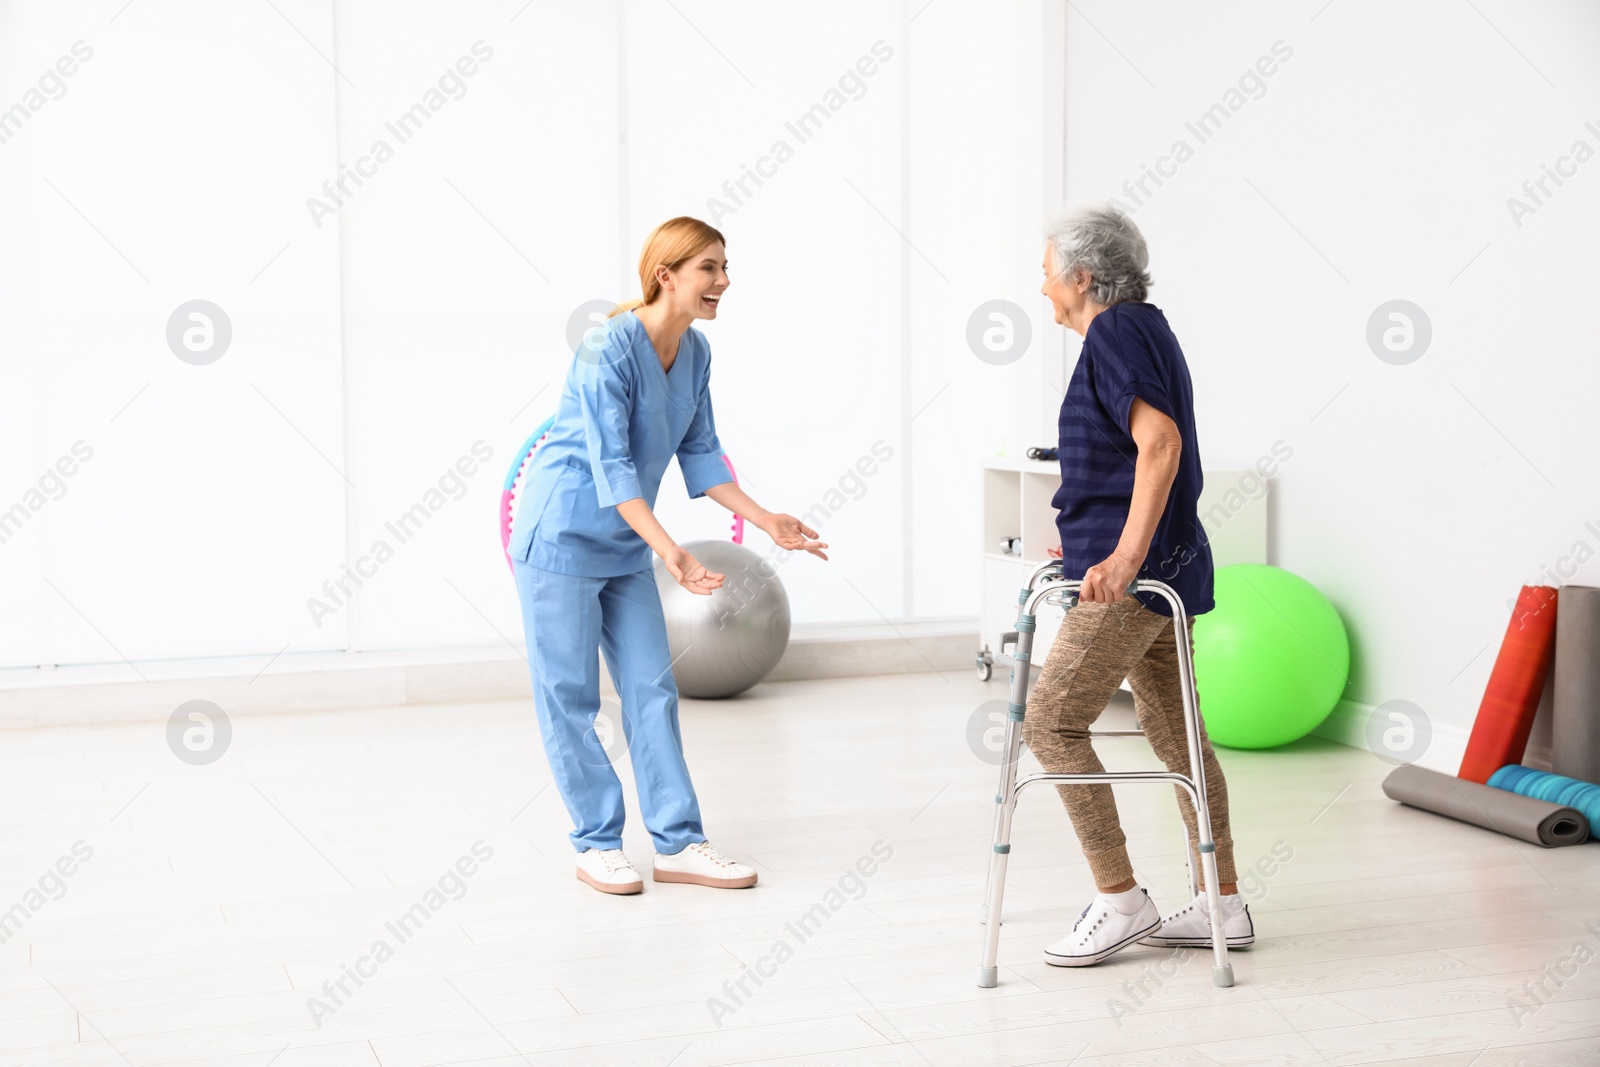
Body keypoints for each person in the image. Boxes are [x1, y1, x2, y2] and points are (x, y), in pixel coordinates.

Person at [508, 216, 828, 895]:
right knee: (570, 696)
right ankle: (596, 842)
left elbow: (703, 456)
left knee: (652, 688)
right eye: (710, 267)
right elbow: (614, 467)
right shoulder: (606, 349)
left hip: (626, 543)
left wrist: (766, 518)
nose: (724, 281)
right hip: (560, 536)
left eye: (724, 266)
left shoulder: (697, 354)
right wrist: (673, 552)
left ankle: (678, 841)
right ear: (668, 275)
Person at [1026, 202, 1253, 966]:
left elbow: (1159, 441)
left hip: (1137, 580)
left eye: (1048, 271)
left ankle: (1121, 900)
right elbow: (1132, 456)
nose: (1044, 286)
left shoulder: (1117, 330)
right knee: (1177, 734)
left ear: (1082, 277)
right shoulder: (1144, 328)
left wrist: (1121, 557)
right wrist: (1092, 529)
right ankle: (1222, 902)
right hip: (1172, 566)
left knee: (1051, 721)